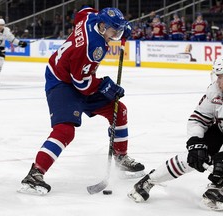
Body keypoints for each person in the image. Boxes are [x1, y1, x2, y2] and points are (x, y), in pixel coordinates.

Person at [18, 6, 145, 195]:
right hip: (61, 81)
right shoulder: (93, 47)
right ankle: (34, 174)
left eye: (119, 31)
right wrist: (105, 86)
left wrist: (119, 27)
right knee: (65, 130)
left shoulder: (90, 18)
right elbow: (82, 85)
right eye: (114, 31)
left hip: (76, 75)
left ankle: (120, 157)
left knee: (119, 110)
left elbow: (83, 11)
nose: (116, 35)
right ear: (102, 26)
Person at [128, 54, 223, 211]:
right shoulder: (214, 91)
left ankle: (216, 189)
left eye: (220, 77)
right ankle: (149, 180)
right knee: (195, 155)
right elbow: (197, 119)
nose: (217, 81)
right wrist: (195, 142)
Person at [0, 18, 27, 84]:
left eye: (2, 25)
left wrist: (20, 43)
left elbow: (13, 40)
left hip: (1, 48)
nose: (0, 26)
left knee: (0, 64)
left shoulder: (6, 32)